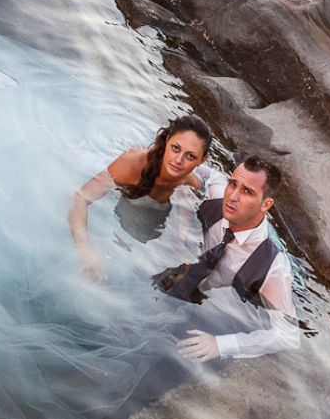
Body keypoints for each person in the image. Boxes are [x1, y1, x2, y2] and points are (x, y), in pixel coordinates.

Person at [166, 155, 302, 362]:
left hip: (261, 290)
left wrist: (221, 345)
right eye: (233, 184)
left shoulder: (272, 268)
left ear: (266, 204)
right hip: (196, 281)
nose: (233, 196)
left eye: (247, 191)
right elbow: (205, 173)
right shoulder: (219, 195)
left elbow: (288, 336)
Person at [68, 115, 216, 283]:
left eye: (190, 156)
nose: (178, 160)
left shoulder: (190, 187)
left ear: (202, 160)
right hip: (116, 222)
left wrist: (182, 256)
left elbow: (180, 237)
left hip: (149, 233)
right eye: (175, 148)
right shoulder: (131, 165)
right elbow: (80, 198)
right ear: (167, 141)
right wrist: (83, 248)